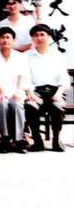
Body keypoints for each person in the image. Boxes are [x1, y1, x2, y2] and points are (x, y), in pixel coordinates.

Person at [25, 24, 68, 152]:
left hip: (55, 92)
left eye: (42, 35)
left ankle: (56, 140)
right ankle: (37, 141)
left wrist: (59, 93)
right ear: (32, 38)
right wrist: (30, 92)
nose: (39, 38)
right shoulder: (27, 56)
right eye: (36, 35)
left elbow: (63, 77)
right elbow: (25, 77)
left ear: (49, 37)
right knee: (30, 106)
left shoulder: (57, 56)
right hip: (36, 92)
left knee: (58, 107)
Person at [0, 27, 28, 153]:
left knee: (16, 104)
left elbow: (22, 76)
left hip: (16, 90)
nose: (5, 40)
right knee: (2, 103)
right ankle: (5, 138)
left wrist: (18, 91)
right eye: (2, 37)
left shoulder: (21, 57)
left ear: (13, 40)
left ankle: (18, 139)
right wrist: (1, 92)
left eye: (8, 37)